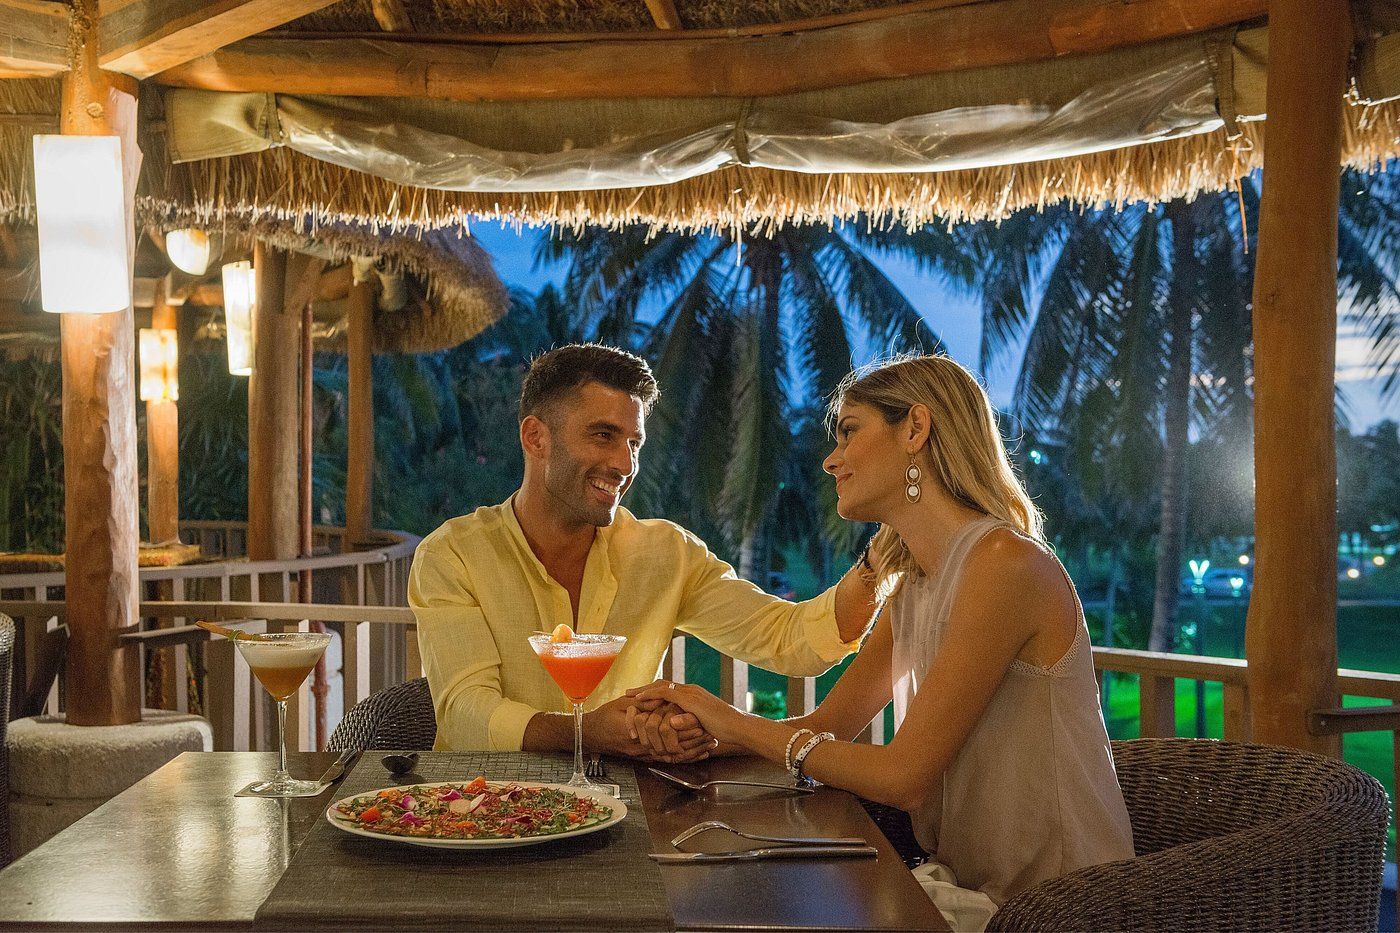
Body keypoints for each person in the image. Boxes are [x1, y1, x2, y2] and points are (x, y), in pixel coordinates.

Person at [627, 354, 1134, 931]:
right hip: (964, 883)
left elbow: (902, 777)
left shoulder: (1005, 565)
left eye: (849, 431)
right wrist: (701, 733)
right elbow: (831, 725)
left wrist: (735, 722)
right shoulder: (916, 581)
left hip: (1057, 904)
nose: (830, 459)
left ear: (916, 430)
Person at [409, 344, 879, 762]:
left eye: (634, 443)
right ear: (536, 438)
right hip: (478, 814)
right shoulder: (452, 555)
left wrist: (882, 563)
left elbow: (790, 639)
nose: (624, 464)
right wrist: (587, 732)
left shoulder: (667, 554)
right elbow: (466, 713)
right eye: (602, 435)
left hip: (622, 813)